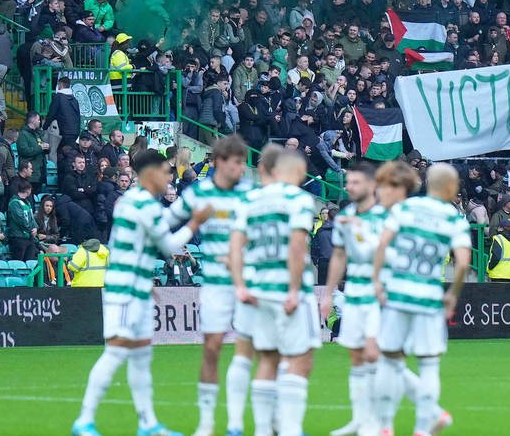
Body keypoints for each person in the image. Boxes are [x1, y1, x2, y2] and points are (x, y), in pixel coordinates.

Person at [72, 149, 213, 436]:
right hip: (124, 290)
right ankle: (84, 420)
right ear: (150, 174)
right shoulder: (142, 204)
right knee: (116, 353)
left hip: (135, 287)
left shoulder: (134, 201)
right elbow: (168, 245)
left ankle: (148, 423)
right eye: (165, 172)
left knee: (140, 356)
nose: (169, 177)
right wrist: (195, 222)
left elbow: (147, 240)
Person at [371, 161, 471, 436]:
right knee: (428, 364)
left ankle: (385, 426)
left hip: (398, 293)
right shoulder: (453, 219)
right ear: (451, 187)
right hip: (427, 297)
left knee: (390, 361)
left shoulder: (405, 208)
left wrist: (378, 281)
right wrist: (452, 294)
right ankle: (422, 430)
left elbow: (382, 243)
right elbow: (463, 263)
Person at [229, 148, 320, 436]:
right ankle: (291, 429)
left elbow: (235, 247)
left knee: (267, 358)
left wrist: (241, 285)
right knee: (300, 358)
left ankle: (263, 430)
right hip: (286, 289)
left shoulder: (250, 199)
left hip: (257, 290)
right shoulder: (297, 199)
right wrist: (294, 290)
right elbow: (296, 246)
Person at [164, 135, 249, 436]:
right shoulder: (198, 194)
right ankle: (207, 422)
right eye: (236, 162)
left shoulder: (250, 195)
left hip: (245, 285)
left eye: (243, 162)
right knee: (211, 350)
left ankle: (236, 423)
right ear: (219, 163)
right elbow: (164, 221)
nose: (241, 168)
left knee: (245, 349)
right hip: (214, 285)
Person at [319, 160, 387, 436]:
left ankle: (379, 420)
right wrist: (327, 294)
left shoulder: (386, 217)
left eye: (355, 182)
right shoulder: (345, 217)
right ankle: (360, 419)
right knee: (357, 356)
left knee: (374, 354)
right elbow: (338, 256)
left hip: (379, 295)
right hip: (356, 294)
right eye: (348, 182)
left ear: (371, 185)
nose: (349, 186)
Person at [486, 217, 510, 282]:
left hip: (497, 274)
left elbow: (496, 257)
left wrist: (489, 267)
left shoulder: (498, 239)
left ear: (501, 228)